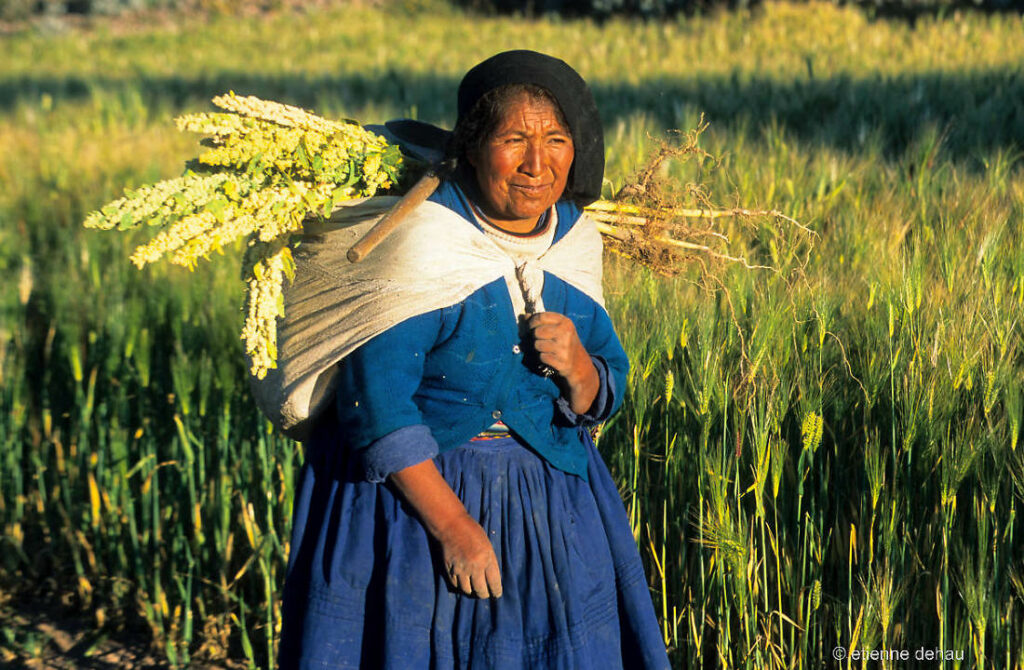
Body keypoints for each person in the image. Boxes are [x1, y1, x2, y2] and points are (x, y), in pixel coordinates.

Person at [272, 50, 671, 669]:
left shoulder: (573, 242)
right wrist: (454, 529)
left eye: (556, 139)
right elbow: (374, 403)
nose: (538, 163)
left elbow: (608, 382)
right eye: (514, 139)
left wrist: (581, 370)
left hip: (550, 505)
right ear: (473, 147)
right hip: (413, 509)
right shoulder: (421, 242)